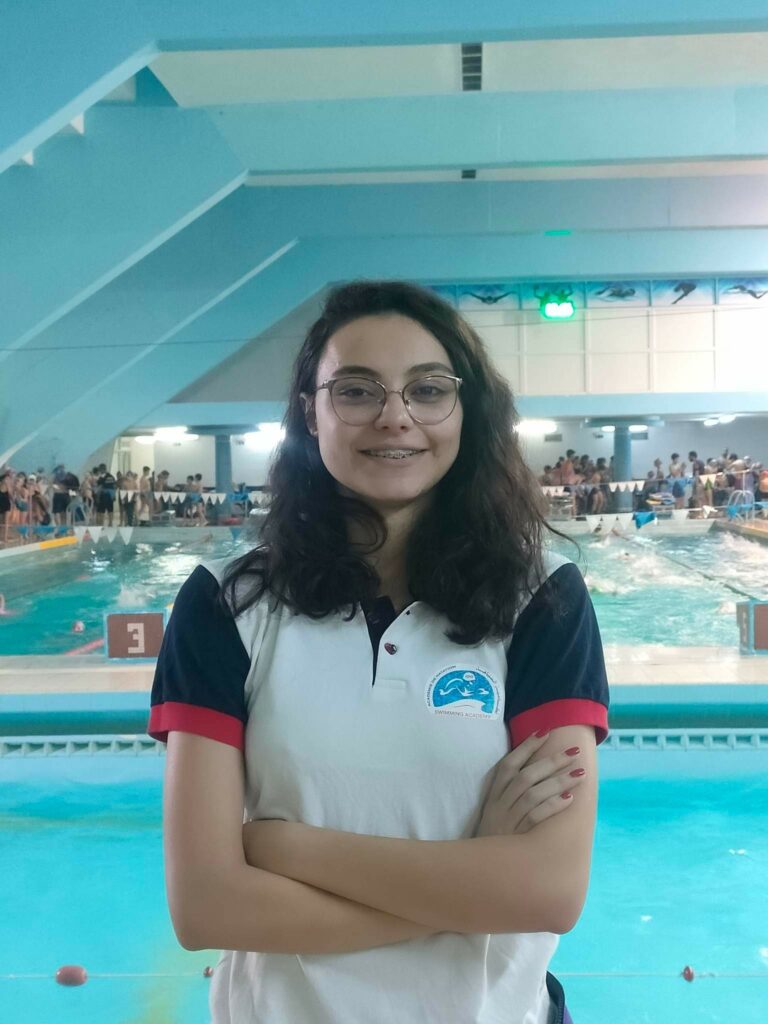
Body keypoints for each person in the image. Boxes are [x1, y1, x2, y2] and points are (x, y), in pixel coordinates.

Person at [148, 280, 609, 1024]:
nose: (396, 417)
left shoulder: (542, 598)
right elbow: (205, 907)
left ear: (466, 410)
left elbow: (548, 893)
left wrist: (283, 847)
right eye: (357, 390)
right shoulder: (226, 603)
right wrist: (472, 888)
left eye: (428, 390)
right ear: (311, 411)